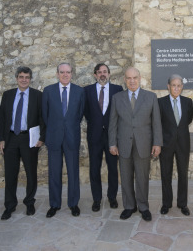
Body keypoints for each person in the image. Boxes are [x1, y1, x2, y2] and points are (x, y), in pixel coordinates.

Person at [109, 67, 162, 222]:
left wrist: (157, 143)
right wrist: (112, 143)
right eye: (128, 78)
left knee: (142, 177)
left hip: (144, 144)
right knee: (125, 177)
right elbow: (113, 123)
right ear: (124, 80)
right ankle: (129, 206)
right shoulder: (117, 98)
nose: (132, 81)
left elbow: (156, 123)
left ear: (140, 78)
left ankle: (143, 207)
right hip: (123, 144)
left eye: (135, 78)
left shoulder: (151, 97)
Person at [0, 66, 45, 220]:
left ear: (30, 79)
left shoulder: (38, 95)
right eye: (21, 77)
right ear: (16, 78)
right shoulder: (8, 95)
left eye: (27, 77)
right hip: (11, 138)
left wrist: (41, 138)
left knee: (31, 172)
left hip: (29, 139)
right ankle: (9, 206)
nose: (24, 80)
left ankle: (29, 202)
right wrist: (1, 139)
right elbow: (2, 118)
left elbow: (42, 118)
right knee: (10, 174)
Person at [42, 63, 85, 218]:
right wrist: (55, 128)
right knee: (54, 172)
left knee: (73, 171)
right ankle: (54, 204)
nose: (65, 75)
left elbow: (79, 115)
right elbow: (45, 115)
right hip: (54, 137)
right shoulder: (48, 91)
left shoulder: (79, 91)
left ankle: (73, 203)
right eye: (62, 72)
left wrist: (68, 127)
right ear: (57, 73)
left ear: (72, 73)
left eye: (68, 72)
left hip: (71, 137)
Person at [84, 63, 123, 212]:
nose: (102, 74)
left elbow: (120, 112)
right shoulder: (87, 90)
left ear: (109, 74)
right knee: (94, 168)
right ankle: (97, 199)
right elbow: (86, 112)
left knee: (113, 168)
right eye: (99, 72)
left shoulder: (117, 90)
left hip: (112, 136)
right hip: (94, 136)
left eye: (105, 72)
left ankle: (112, 197)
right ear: (95, 75)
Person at [158, 74, 193, 216]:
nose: (176, 88)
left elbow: (188, 120)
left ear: (182, 87)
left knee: (183, 174)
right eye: (174, 85)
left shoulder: (188, 102)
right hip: (166, 144)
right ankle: (166, 203)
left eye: (179, 85)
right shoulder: (160, 102)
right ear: (168, 86)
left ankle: (182, 203)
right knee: (165, 174)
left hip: (183, 143)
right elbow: (158, 123)